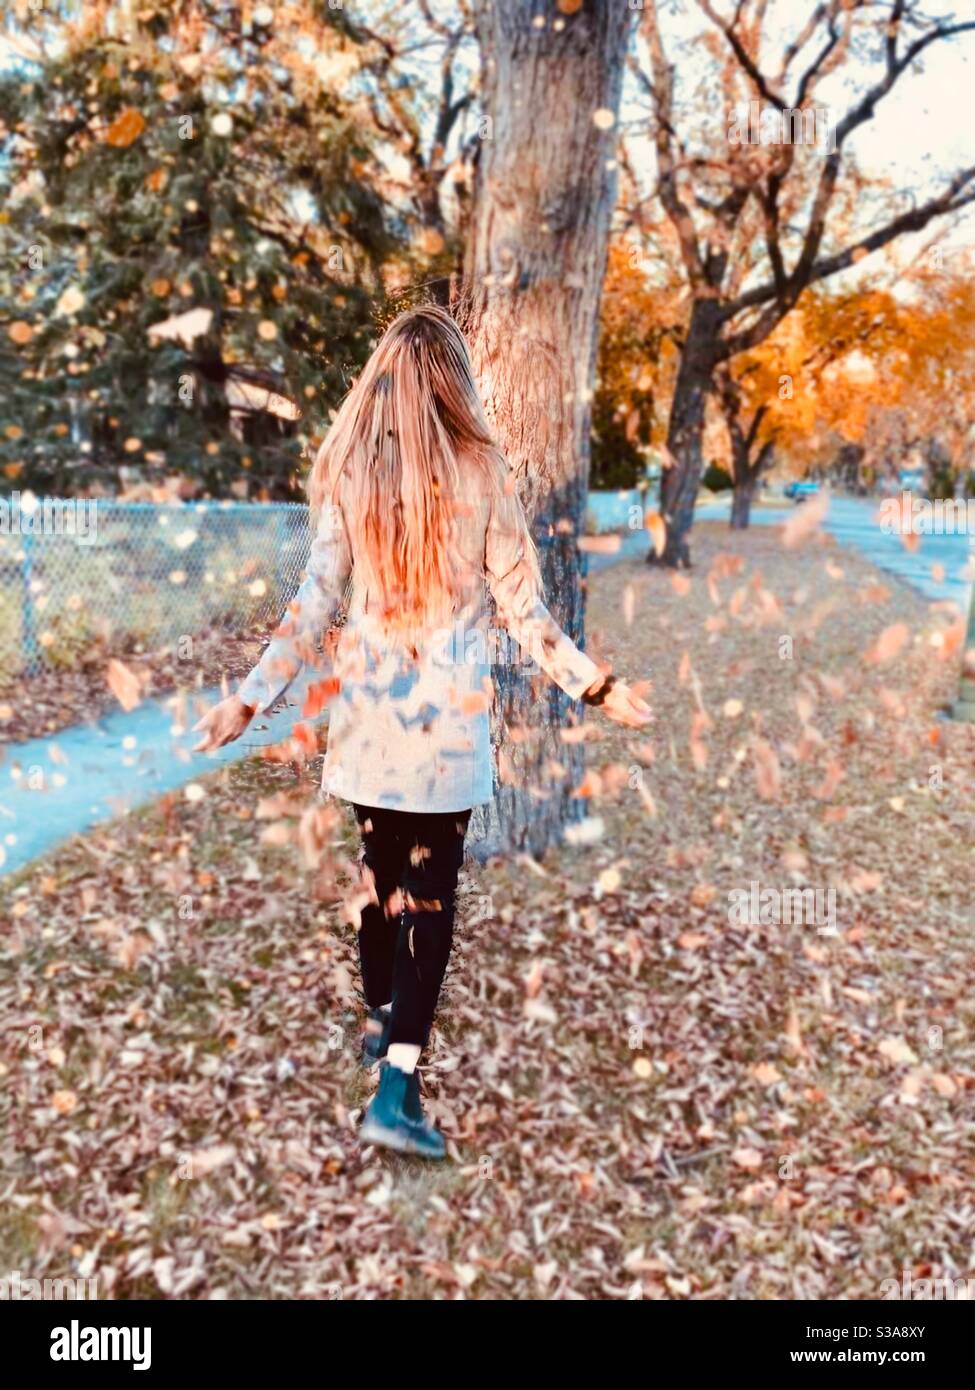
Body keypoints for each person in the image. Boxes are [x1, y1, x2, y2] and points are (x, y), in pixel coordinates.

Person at [193, 305, 652, 1160]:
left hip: (368, 731)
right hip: (442, 739)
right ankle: (395, 1090)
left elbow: (311, 606)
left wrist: (248, 702)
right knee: (425, 902)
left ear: (384, 382)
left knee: (382, 887)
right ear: (453, 381)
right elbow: (524, 612)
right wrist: (594, 685)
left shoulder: (353, 472)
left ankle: (381, 1024)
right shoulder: (482, 469)